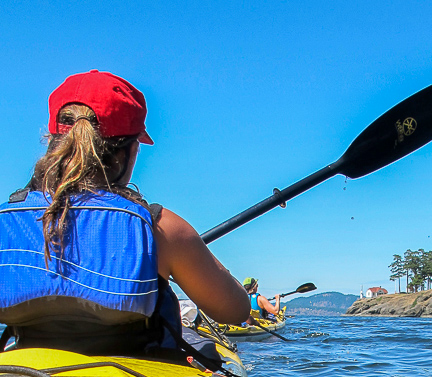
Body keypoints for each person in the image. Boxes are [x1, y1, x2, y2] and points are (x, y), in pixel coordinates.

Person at [0, 70, 250, 356]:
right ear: (129, 150)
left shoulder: (7, 221)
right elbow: (235, 310)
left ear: (53, 142)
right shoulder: (158, 227)